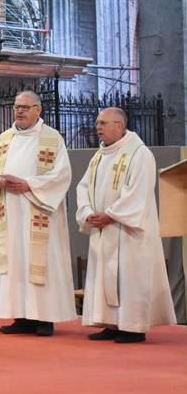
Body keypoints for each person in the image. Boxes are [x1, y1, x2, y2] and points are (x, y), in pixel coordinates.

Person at [75, 107, 176, 343]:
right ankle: (110, 323)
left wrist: (111, 215)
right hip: (103, 228)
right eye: (97, 123)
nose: (98, 127)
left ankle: (133, 327)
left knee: (129, 278)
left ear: (119, 125)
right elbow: (83, 187)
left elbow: (139, 192)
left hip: (129, 231)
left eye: (103, 123)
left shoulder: (139, 154)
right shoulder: (99, 155)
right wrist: (88, 213)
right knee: (106, 276)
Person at [0, 91, 76, 337]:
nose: (19, 111)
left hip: (39, 210)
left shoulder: (52, 138)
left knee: (42, 263)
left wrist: (29, 185)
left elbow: (61, 175)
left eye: (25, 107)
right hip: (11, 213)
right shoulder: (2, 141)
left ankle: (45, 318)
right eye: (16, 107)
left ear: (38, 110)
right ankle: (20, 316)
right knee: (15, 261)